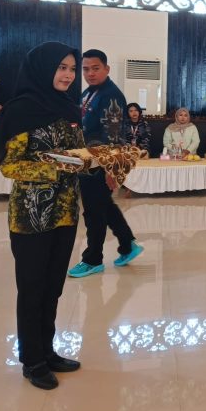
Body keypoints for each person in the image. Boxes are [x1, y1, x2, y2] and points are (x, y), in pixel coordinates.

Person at [0, 42, 89, 390]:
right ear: (43, 68)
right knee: (32, 288)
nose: (68, 75)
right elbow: (9, 165)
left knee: (53, 287)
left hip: (64, 212)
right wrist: (56, 168)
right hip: (31, 216)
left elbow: (77, 153)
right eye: (61, 67)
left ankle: (47, 351)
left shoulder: (69, 108)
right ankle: (31, 360)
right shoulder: (20, 111)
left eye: (72, 69)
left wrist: (93, 160)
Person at [68, 50, 142, 279]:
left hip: (100, 163)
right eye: (86, 69)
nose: (90, 73)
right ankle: (127, 244)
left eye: (95, 68)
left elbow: (113, 136)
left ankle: (93, 259)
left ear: (107, 69)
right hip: (87, 160)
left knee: (94, 212)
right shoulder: (90, 92)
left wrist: (112, 170)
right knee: (103, 206)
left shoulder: (111, 95)